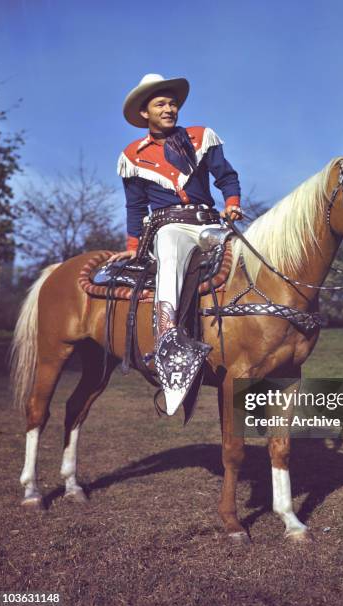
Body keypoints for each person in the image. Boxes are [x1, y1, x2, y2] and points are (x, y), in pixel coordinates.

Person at [108, 74, 242, 415]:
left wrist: (231, 202)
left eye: (172, 103)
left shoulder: (200, 137)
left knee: (247, 255)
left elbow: (225, 175)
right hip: (168, 225)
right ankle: (172, 352)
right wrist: (133, 243)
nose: (169, 109)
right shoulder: (132, 155)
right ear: (144, 114)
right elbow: (135, 205)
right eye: (160, 104)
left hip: (209, 221)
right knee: (168, 258)